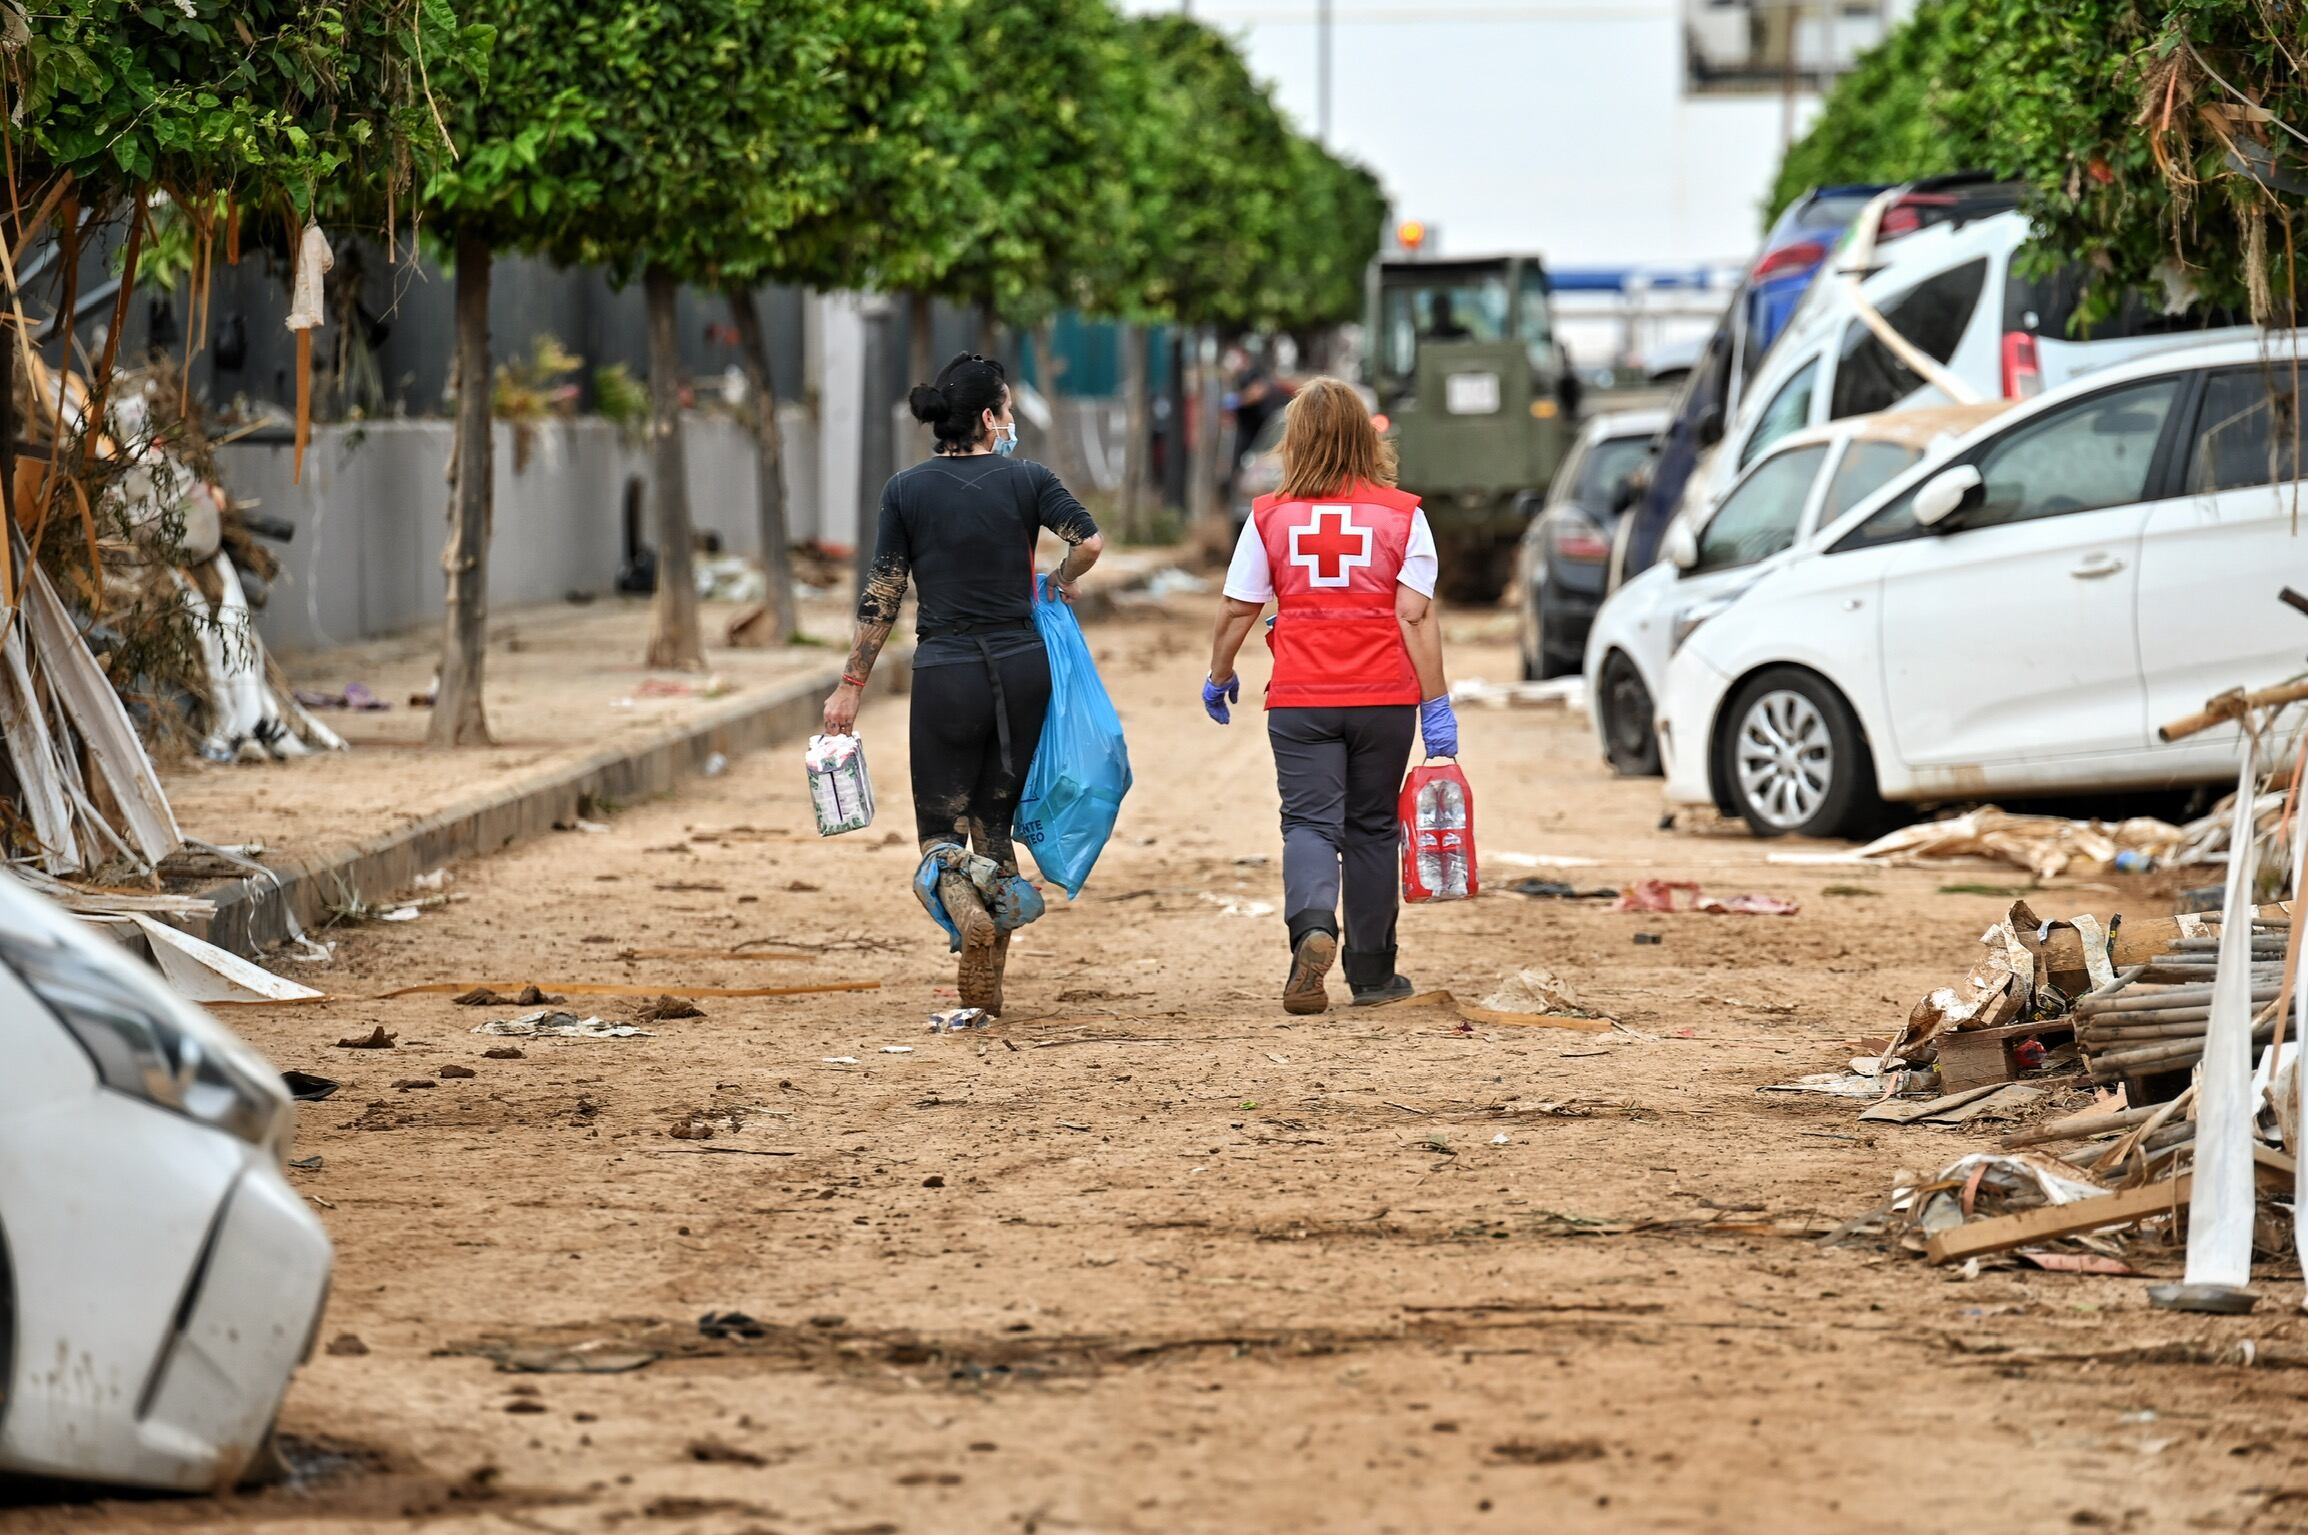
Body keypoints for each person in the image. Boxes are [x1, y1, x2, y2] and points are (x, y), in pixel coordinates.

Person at [824, 352, 1103, 1013]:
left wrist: (850, 684)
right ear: (987, 417)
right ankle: (992, 984)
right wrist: (1059, 582)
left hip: (947, 673)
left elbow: (884, 592)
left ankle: (964, 916)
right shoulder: (1028, 478)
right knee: (995, 828)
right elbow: (1089, 542)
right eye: (1006, 410)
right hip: (1020, 667)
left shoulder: (905, 490)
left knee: (940, 833)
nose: (1009, 422)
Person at [1201, 377, 1458, 1016]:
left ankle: (1313, 927)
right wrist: (1437, 707)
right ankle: (1372, 974)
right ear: (1365, 436)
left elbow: (1239, 608)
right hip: (1384, 698)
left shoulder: (1269, 515)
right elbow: (1416, 618)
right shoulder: (1405, 515)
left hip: (1301, 698)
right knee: (1371, 827)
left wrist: (1220, 674)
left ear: (1298, 439)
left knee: (1310, 822)